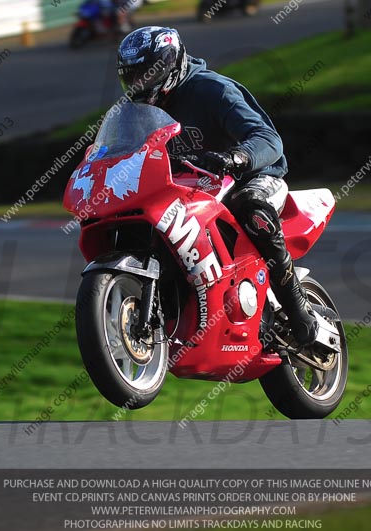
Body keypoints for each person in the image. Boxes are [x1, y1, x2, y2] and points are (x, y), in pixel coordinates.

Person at [115, 26, 319, 346]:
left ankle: (298, 310)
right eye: (132, 76)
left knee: (253, 209)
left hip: (249, 176)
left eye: (146, 73)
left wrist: (237, 158)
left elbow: (268, 140)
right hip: (190, 188)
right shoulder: (137, 113)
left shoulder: (213, 90)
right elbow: (120, 151)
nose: (140, 83)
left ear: (170, 62)